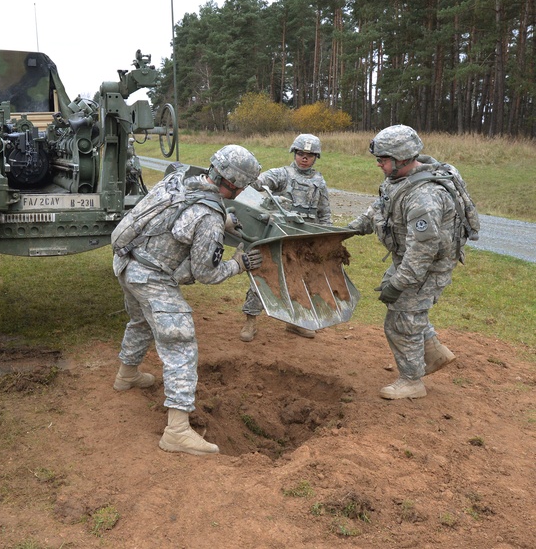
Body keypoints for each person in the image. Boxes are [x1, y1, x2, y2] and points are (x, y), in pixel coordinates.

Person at [111, 146, 264, 455]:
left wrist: (223, 223)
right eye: (244, 184)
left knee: (141, 321)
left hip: (127, 263)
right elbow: (206, 274)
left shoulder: (181, 179)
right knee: (180, 343)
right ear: (235, 183)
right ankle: (177, 430)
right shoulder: (208, 215)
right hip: (152, 277)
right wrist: (239, 264)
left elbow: (178, 224)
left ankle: (126, 375)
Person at [347, 124, 460, 400]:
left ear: (403, 159)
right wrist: (349, 229)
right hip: (410, 259)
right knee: (405, 308)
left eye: (383, 160)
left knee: (401, 320)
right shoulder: (398, 180)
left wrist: (399, 284)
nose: (378, 164)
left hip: (427, 266)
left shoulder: (425, 197)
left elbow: (422, 252)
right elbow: (379, 207)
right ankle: (433, 353)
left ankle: (412, 381)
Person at [240, 133, 331, 342]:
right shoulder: (283, 174)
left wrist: (324, 239)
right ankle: (250, 321)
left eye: (309, 154)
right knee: (263, 276)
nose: (304, 158)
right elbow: (258, 184)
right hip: (276, 237)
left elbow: (324, 213)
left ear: (316, 157)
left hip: (303, 239)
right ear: (294, 153)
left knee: (299, 280)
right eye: (300, 153)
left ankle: (295, 322)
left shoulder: (319, 181)